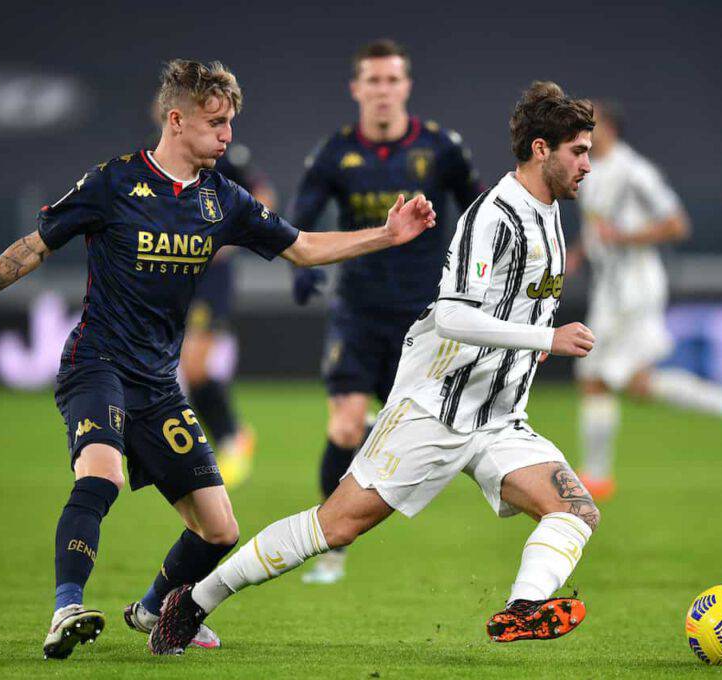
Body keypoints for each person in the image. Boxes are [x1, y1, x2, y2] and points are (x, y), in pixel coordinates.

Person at [0, 59, 436, 661]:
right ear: (177, 119)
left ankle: (153, 606)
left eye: (231, 122)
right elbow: (31, 248)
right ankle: (66, 608)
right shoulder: (113, 183)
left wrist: (386, 235)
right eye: (216, 123)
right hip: (98, 362)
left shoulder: (222, 198)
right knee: (100, 475)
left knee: (220, 530)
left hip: (158, 384)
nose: (227, 135)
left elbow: (303, 247)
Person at [148, 81, 599, 654]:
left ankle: (522, 607)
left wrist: (528, 345)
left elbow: (511, 306)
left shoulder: (552, 213)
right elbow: (456, 318)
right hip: (434, 408)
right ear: (541, 149)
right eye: (578, 152)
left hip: (497, 418)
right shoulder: (497, 214)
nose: (587, 164)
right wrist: (546, 339)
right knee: (335, 526)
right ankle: (190, 603)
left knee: (576, 510)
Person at [289, 39, 482, 584]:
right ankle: (330, 547)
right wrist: (300, 268)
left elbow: (480, 211)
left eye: (392, 80)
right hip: (358, 310)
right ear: (357, 89)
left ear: (406, 86)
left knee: (448, 432)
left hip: (427, 316)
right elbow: (299, 217)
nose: (382, 90)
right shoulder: (334, 153)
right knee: (345, 424)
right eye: (372, 81)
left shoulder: (442, 148)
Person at [569, 101, 722, 502]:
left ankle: (596, 477)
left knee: (595, 379)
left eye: (586, 125)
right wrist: (580, 251)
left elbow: (677, 224)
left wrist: (623, 238)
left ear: (607, 127)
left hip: (635, 290)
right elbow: (600, 227)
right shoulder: (591, 170)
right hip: (611, 289)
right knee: (636, 384)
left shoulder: (635, 172)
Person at [180, 147, 278, 489]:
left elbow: (264, 195)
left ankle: (231, 437)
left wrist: (233, 238)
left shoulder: (223, 156)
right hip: (172, 272)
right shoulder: (155, 152)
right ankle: (215, 442)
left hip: (209, 280)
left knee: (194, 365)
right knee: (180, 370)